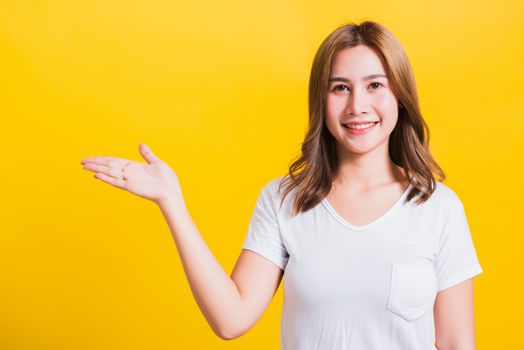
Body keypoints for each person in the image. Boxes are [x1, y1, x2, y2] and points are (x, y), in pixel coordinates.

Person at [80, 20, 483, 350]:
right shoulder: (285, 201)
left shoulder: (438, 208)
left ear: (400, 95)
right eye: (340, 87)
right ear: (320, 101)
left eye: (375, 85)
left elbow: (456, 343)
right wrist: (172, 202)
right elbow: (231, 319)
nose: (357, 105)